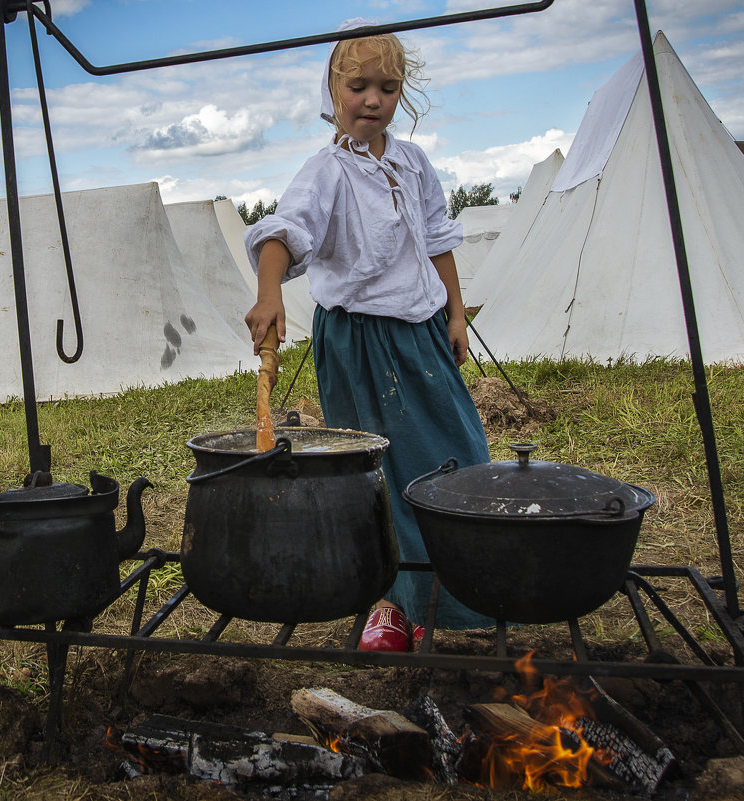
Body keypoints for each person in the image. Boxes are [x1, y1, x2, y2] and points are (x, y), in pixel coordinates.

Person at [243, 23, 492, 651]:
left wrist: (456, 314)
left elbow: (437, 238)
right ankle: (393, 603)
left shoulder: (413, 162)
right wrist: (270, 292)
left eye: (387, 86)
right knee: (377, 472)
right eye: (358, 86)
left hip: (424, 333)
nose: (372, 100)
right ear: (332, 90)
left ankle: (466, 594)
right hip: (357, 344)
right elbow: (285, 232)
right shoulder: (325, 170)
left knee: (456, 453)